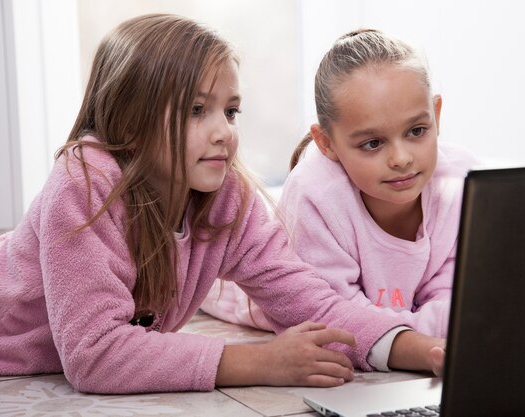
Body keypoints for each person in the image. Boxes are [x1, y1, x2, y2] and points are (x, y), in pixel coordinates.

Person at [0, 15, 444, 395]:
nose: (224, 130)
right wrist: (259, 361)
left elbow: (315, 304)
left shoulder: (224, 199)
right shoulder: (83, 182)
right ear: (129, 120)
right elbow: (95, 354)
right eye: (196, 110)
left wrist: (426, 350)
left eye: (230, 110)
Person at [202, 28, 478, 365]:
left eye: (417, 131)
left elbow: (459, 297)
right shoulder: (316, 194)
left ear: (436, 114)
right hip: (235, 293)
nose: (402, 157)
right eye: (373, 143)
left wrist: (419, 337)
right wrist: (417, 344)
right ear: (326, 143)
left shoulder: (462, 183)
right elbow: (332, 320)